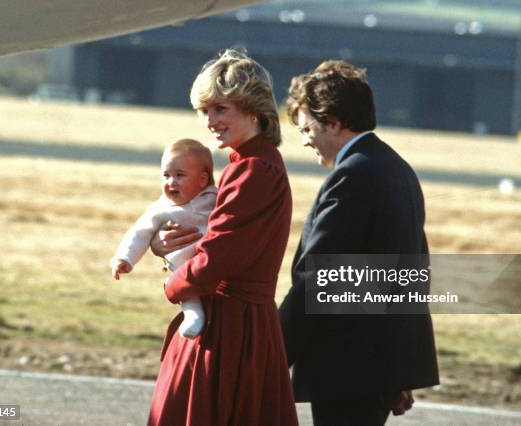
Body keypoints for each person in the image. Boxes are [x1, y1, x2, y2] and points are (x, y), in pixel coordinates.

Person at [278, 60, 439, 425]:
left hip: (348, 366)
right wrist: (399, 369)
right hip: (377, 365)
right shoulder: (396, 168)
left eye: (306, 128)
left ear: (333, 122)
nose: (304, 140)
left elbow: (320, 279)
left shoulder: (352, 175)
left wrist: (273, 351)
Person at [147, 49, 298, 426]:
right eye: (205, 111)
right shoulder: (247, 165)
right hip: (238, 322)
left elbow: (218, 257)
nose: (210, 121)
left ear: (254, 109)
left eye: (220, 109)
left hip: (232, 328)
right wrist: (165, 246)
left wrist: (173, 284)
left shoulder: (253, 171)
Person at [110, 138, 217, 339]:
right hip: (184, 263)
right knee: (184, 281)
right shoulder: (161, 208)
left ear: (203, 180)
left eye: (180, 175)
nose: (171, 182)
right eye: (166, 175)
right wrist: (124, 258)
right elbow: (139, 232)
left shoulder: (215, 198)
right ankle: (193, 314)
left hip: (213, 259)